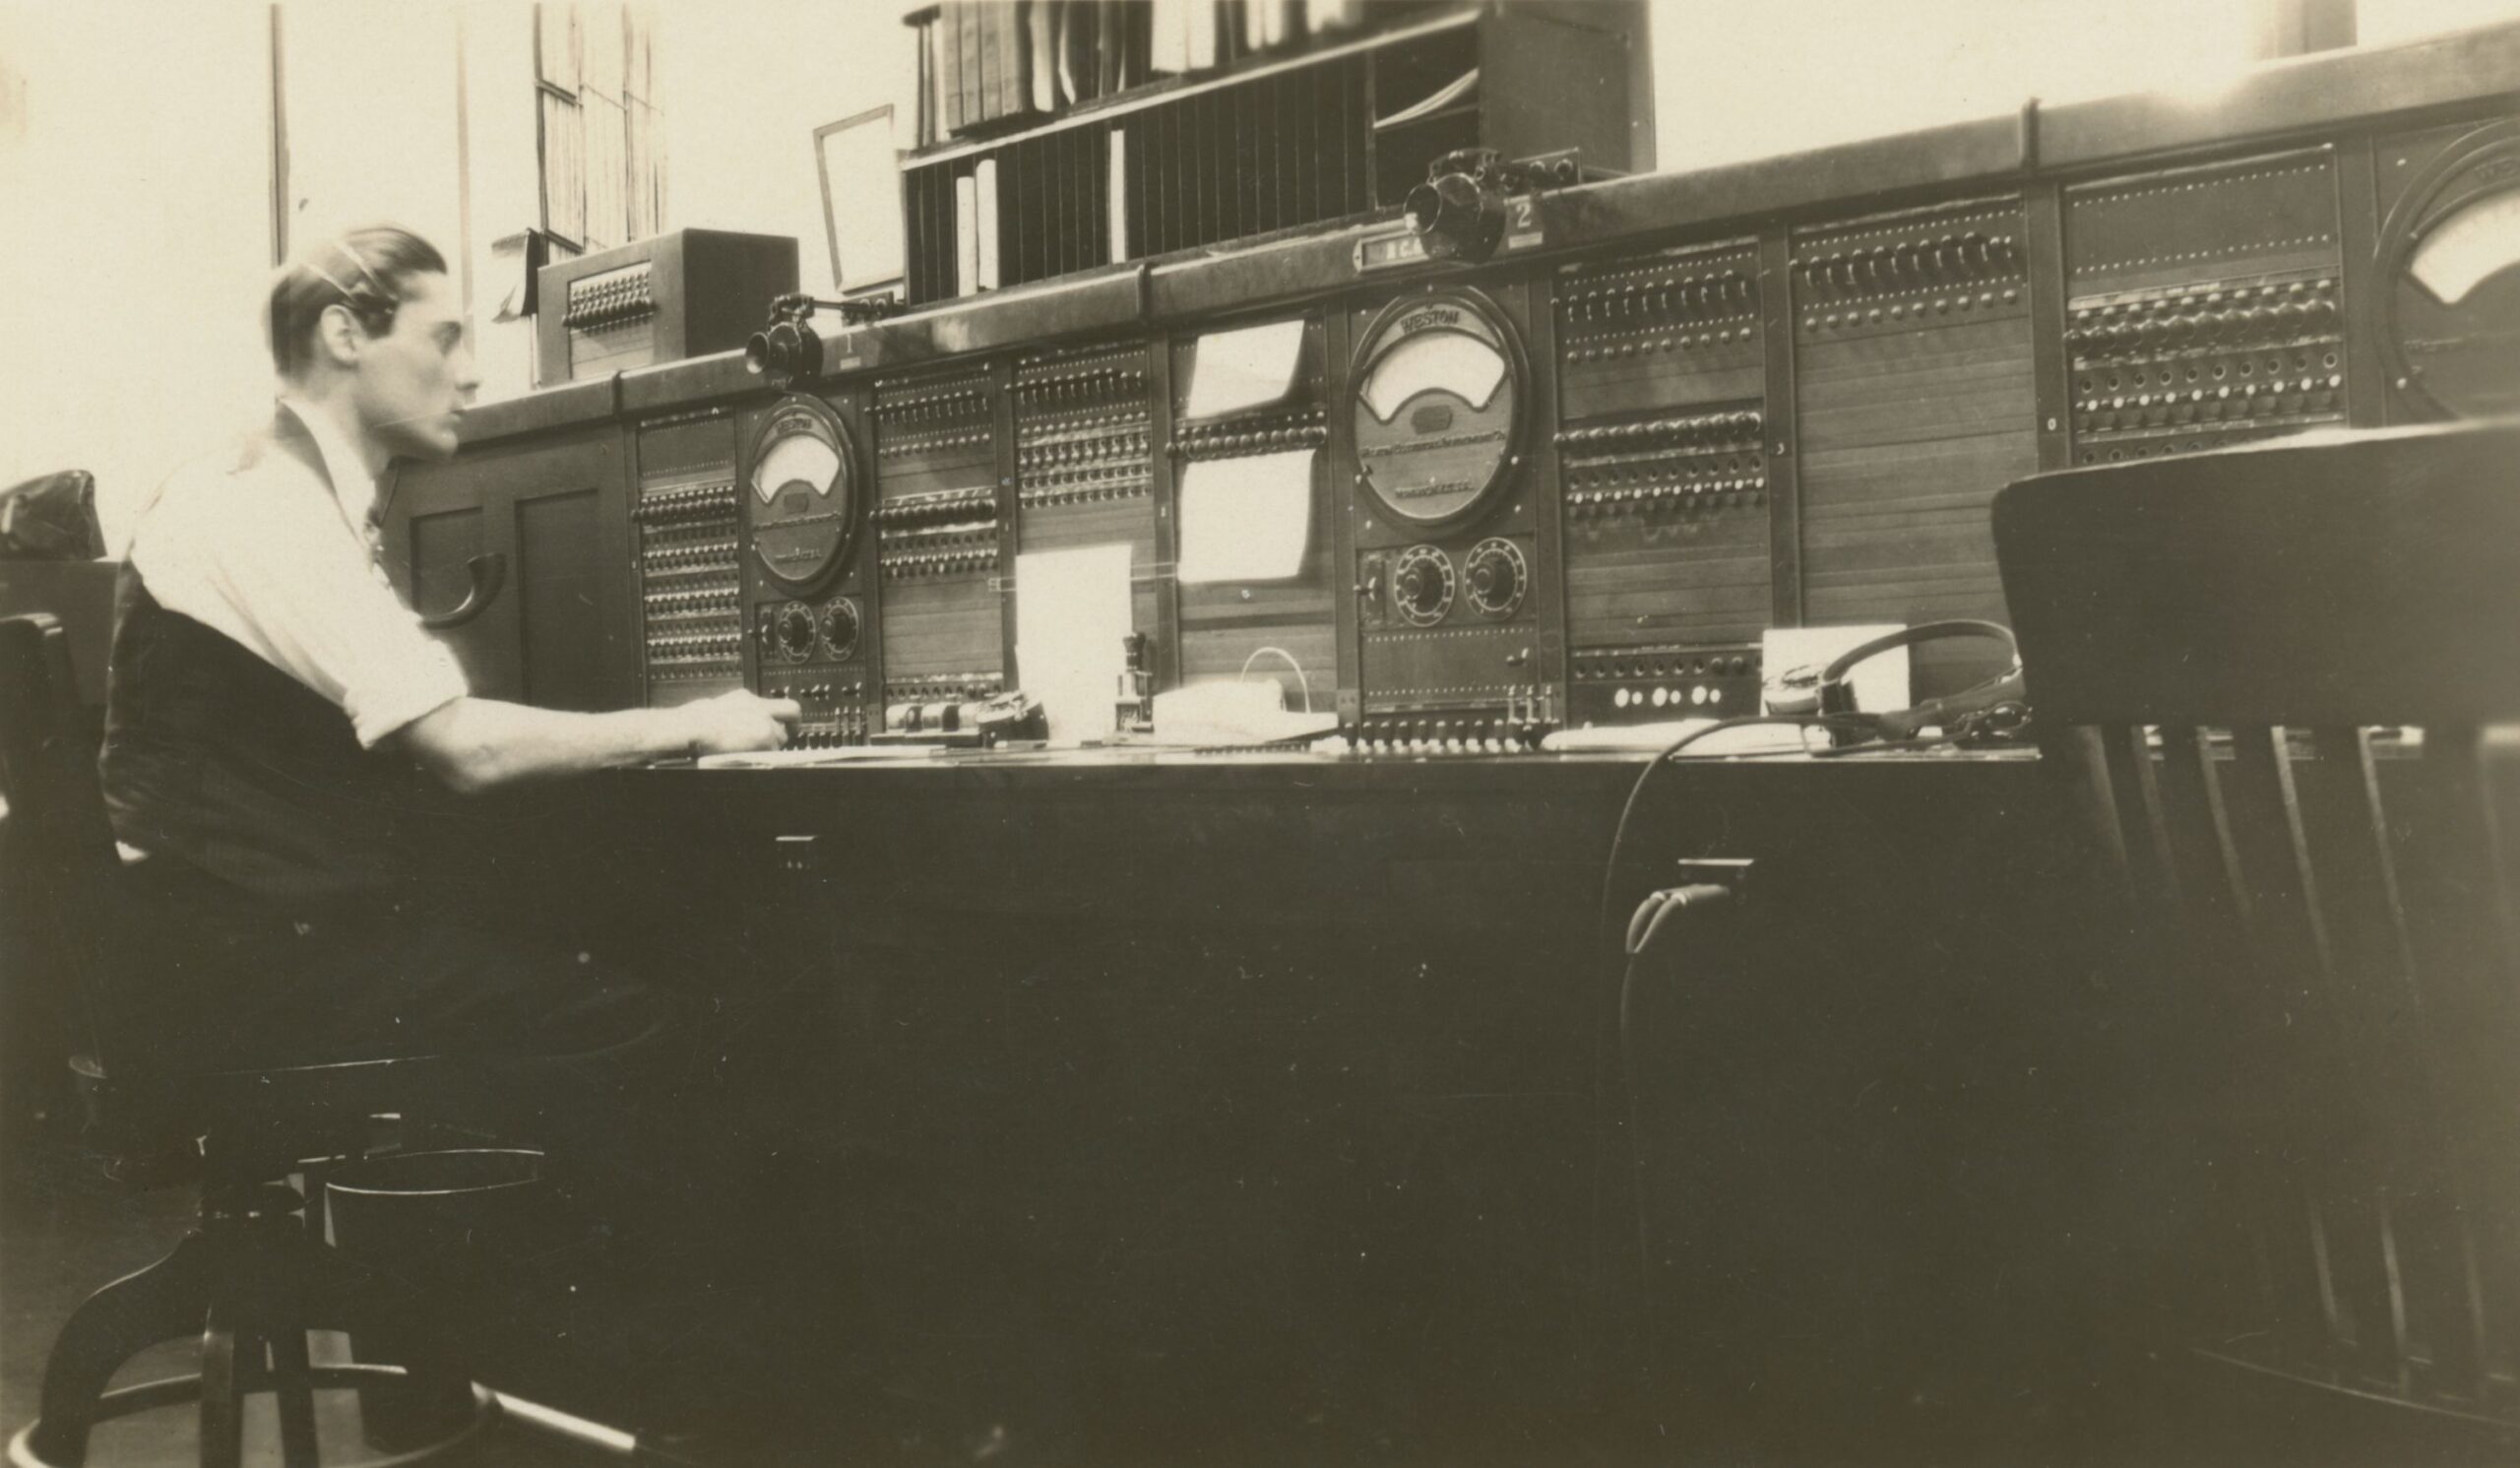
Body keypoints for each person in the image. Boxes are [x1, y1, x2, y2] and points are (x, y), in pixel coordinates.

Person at [99, 223, 798, 1070]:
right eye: (444, 338)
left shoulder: (282, 491)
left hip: (249, 935)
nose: (468, 372)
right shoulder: (262, 501)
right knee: (675, 1020)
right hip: (247, 965)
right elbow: (466, 750)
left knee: (640, 925)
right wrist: (693, 724)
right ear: (346, 334)